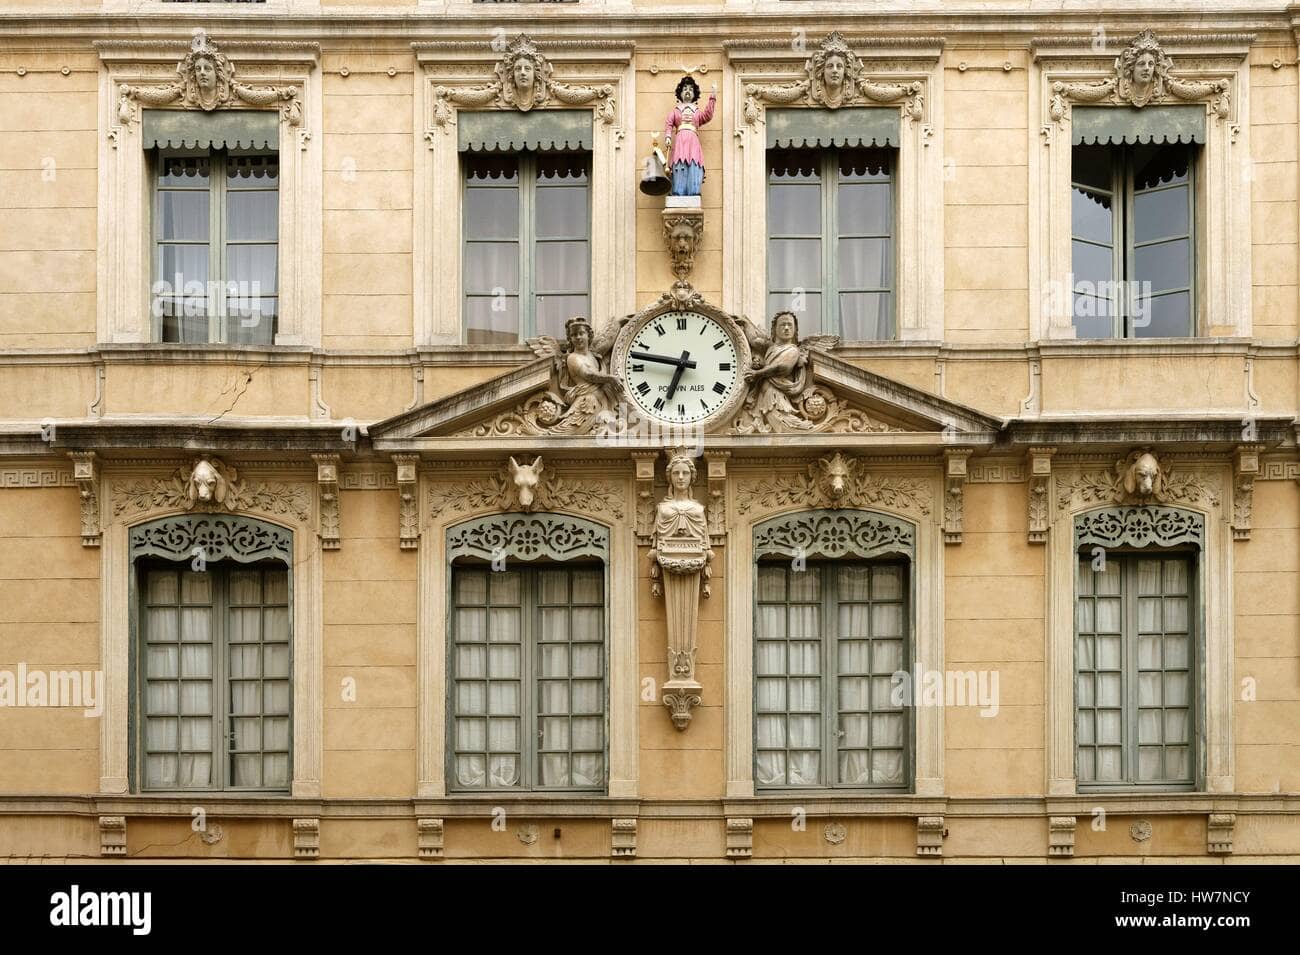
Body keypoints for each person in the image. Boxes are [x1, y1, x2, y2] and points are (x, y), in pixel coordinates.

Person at [663, 76, 716, 197]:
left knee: (694, 163)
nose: (687, 91)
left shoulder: (697, 111)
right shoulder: (676, 110)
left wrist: (712, 97)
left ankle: (693, 191)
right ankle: (678, 191)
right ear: (680, 93)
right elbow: (669, 123)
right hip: (680, 140)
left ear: (694, 94)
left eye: (691, 89)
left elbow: (707, 116)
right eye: (685, 89)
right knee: (679, 164)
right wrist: (668, 136)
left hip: (693, 141)